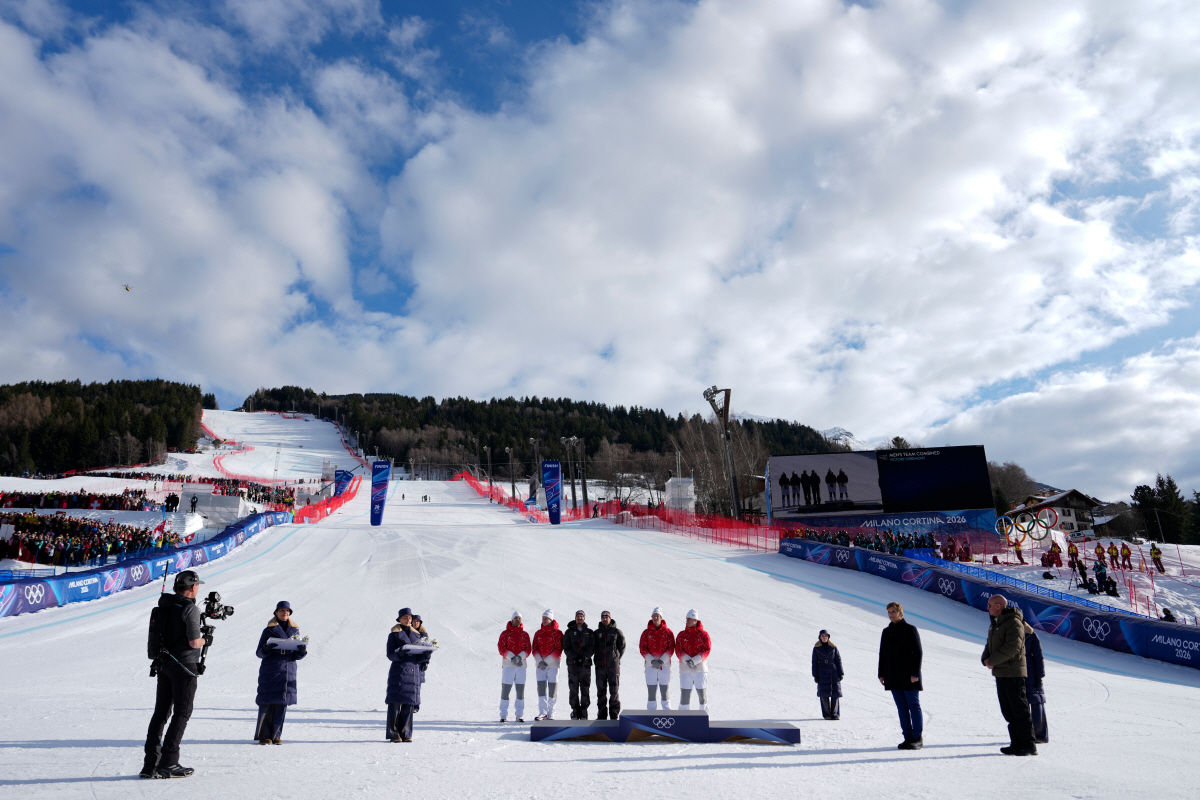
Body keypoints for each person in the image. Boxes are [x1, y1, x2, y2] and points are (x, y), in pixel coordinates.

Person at [142, 570, 206, 779]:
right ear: (193, 587)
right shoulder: (190, 608)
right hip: (185, 665)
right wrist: (207, 639)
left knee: (161, 712)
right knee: (182, 712)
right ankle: (169, 762)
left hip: (164, 664)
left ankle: (150, 763)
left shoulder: (164, 605)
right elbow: (194, 642)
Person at [982, 595, 1036, 755]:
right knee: (1008, 710)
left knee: (1019, 709)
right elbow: (990, 643)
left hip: (1013, 672)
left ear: (998, 606)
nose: (988, 608)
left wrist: (992, 660)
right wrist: (985, 658)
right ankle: (1016, 743)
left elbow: (1013, 646)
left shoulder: (1013, 622)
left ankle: (1028, 744)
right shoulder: (996, 623)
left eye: (989, 605)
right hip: (1001, 672)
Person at [254, 601, 307, 744]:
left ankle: (276, 735)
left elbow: (297, 655)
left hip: (287, 669)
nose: (285, 613)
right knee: (267, 702)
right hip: (270, 669)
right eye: (282, 610)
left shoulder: (295, 631)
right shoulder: (267, 631)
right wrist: (266, 648)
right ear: (276, 612)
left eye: (287, 611)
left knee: (281, 703)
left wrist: (302, 651)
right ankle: (265, 735)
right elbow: (259, 653)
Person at [878, 602, 923, 750]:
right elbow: (882, 654)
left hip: (909, 675)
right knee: (901, 707)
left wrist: (915, 673)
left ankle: (917, 737)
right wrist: (881, 673)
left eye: (893, 611)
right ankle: (907, 737)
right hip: (893, 675)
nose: (891, 614)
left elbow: (917, 652)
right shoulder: (886, 631)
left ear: (900, 613)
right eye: (889, 612)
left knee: (913, 705)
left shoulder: (910, 629)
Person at [385, 607, 426, 742]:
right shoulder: (393, 635)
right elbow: (390, 655)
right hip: (399, 672)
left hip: (413, 671)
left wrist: (426, 656)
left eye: (410, 618)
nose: (408, 620)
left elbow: (418, 656)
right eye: (405, 618)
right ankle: (394, 733)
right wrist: (399, 654)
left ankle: (406, 733)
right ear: (399, 620)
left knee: (408, 704)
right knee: (395, 704)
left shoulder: (418, 635)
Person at [498, 611, 531, 722]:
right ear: (512, 619)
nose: (517, 620)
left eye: (519, 618)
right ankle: (503, 714)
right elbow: (501, 648)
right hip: (508, 666)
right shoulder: (505, 634)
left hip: (521, 666)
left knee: (520, 691)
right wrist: (512, 657)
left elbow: (528, 649)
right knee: (506, 689)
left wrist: (520, 657)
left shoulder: (525, 634)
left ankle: (519, 714)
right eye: (515, 618)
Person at [675, 609, 711, 711]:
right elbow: (678, 650)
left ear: (695, 620)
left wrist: (694, 661)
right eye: (687, 619)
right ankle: (683, 717)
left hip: (700, 669)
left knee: (702, 695)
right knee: (685, 696)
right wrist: (688, 660)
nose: (687, 621)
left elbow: (706, 650)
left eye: (689, 619)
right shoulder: (681, 635)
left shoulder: (704, 635)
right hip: (685, 669)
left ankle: (704, 717)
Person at [562, 609, 595, 719]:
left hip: (585, 665)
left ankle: (584, 711)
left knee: (585, 688)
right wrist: (575, 658)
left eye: (581, 616)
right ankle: (575, 711)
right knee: (573, 688)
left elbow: (592, 647)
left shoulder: (589, 632)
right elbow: (566, 647)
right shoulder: (569, 632)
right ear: (575, 618)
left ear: (584, 618)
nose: (579, 618)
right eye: (578, 617)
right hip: (573, 665)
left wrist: (584, 658)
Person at [640, 608, 675, 710]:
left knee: (664, 690)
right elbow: (642, 648)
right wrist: (652, 660)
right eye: (653, 616)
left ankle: (667, 713)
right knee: (651, 691)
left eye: (657, 616)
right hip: (650, 666)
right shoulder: (646, 633)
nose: (655, 618)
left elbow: (671, 647)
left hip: (664, 666)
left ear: (661, 618)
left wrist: (661, 660)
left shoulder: (668, 632)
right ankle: (651, 712)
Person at [531, 610, 562, 721]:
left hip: (553, 665)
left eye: (546, 618)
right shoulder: (538, 633)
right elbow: (534, 648)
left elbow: (558, 649)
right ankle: (542, 712)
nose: (544, 620)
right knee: (541, 689)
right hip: (540, 666)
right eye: (543, 618)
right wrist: (540, 661)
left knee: (552, 689)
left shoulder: (558, 633)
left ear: (551, 619)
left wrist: (547, 661)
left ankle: (551, 712)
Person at [593, 610, 625, 720]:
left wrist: (616, 657)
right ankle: (601, 715)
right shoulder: (596, 633)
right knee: (601, 691)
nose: (605, 619)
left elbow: (622, 646)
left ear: (610, 618)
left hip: (613, 666)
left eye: (607, 617)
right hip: (600, 666)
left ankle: (614, 714)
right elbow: (593, 647)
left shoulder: (616, 632)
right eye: (603, 617)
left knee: (614, 691)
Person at [1024, 623, 1048, 744]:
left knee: (1036, 702)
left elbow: (1039, 657)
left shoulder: (1031, 635)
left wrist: (1039, 676)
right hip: (1017, 672)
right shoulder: (1011, 634)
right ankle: (1026, 733)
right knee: (1021, 704)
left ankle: (1040, 734)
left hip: (1031, 674)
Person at [812, 629, 843, 720]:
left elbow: (838, 660)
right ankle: (827, 714)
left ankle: (835, 714)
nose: (824, 637)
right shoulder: (816, 648)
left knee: (835, 693)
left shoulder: (833, 647)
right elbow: (814, 662)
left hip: (833, 672)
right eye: (822, 636)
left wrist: (841, 672)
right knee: (824, 694)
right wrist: (815, 675)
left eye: (826, 636)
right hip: (822, 672)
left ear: (828, 637)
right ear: (820, 637)